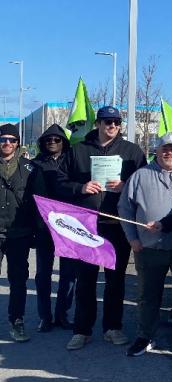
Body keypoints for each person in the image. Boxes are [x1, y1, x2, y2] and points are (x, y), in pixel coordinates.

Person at [56, 106, 146, 351]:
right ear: (97, 123)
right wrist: (81, 188)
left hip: (117, 225)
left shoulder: (132, 152)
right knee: (85, 279)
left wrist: (126, 185)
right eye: (107, 121)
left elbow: (145, 183)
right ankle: (82, 330)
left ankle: (112, 327)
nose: (112, 126)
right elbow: (60, 181)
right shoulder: (78, 151)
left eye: (117, 121)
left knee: (115, 280)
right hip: (88, 224)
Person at [117, 133, 172, 356]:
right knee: (148, 294)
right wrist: (133, 239)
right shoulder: (140, 175)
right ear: (157, 150)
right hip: (148, 248)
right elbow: (124, 208)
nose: (169, 153)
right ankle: (145, 335)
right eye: (164, 148)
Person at [0, 123, 45, 342]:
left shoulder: (30, 168)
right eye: (3, 139)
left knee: (18, 280)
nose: (7, 143)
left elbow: (38, 202)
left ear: (18, 143)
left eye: (11, 139)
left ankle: (16, 321)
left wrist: (37, 231)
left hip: (19, 233)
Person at [32, 124, 77, 332]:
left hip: (67, 225)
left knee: (69, 273)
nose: (52, 142)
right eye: (48, 139)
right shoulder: (34, 165)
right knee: (43, 273)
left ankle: (62, 314)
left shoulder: (72, 162)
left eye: (57, 139)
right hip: (43, 226)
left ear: (63, 142)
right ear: (43, 142)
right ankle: (45, 316)